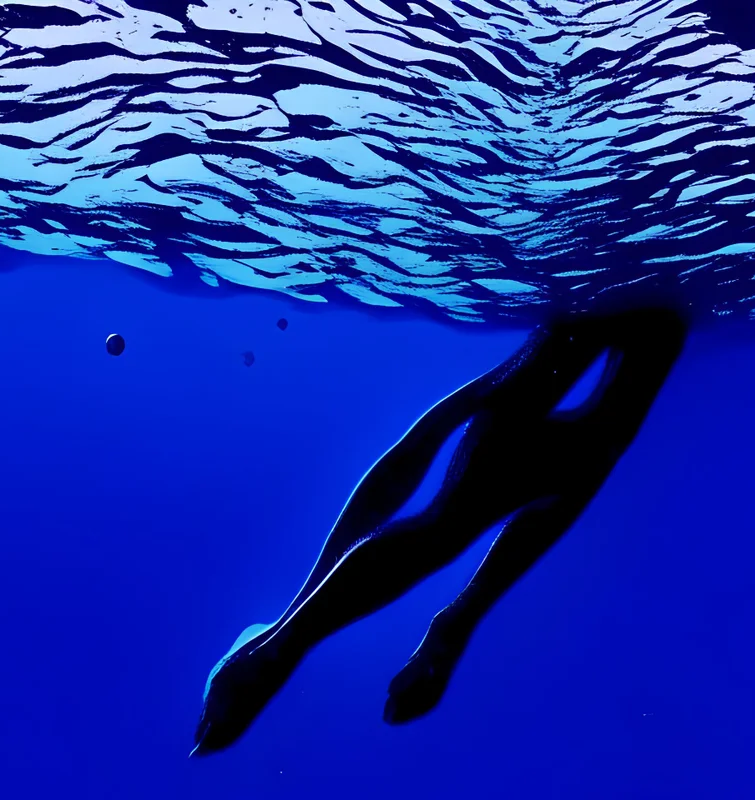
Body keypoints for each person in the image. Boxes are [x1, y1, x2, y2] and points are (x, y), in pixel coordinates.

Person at [192, 307, 690, 756]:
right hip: (621, 324)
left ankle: (283, 638)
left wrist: (454, 626)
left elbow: (419, 460)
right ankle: (283, 638)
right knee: (463, 511)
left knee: (460, 514)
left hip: (623, 325)